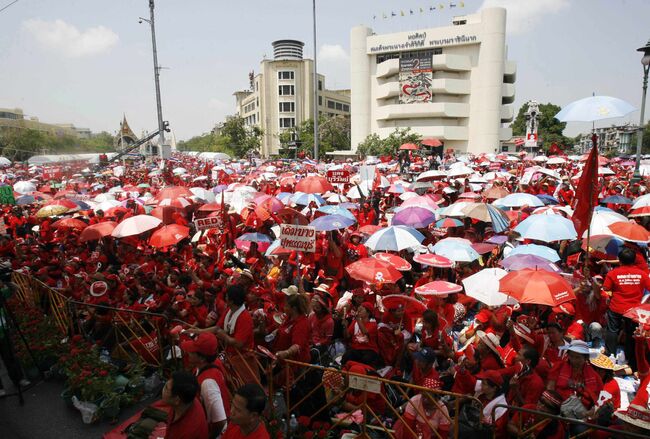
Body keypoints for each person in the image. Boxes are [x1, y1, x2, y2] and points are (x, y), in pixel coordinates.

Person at [601, 247, 650, 368]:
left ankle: (609, 355)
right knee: (631, 334)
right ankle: (630, 359)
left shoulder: (612, 273)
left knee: (612, 330)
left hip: (616, 307)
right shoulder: (642, 274)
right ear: (634, 260)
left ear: (619, 260)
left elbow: (606, 288)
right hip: (634, 311)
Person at [180, 332, 230, 438]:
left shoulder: (208, 383)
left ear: (202, 358)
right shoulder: (212, 363)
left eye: (192, 351)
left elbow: (220, 421)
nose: (188, 351)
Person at [163, 370, 209, 439]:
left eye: (166, 388)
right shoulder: (189, 399)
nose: (163, 389)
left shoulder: (187, 432)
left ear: (177, 400)